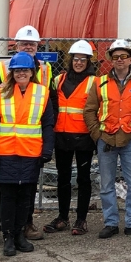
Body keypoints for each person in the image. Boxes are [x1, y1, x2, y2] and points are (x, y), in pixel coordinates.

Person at [0, 25, 53, 245]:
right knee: (1, 191)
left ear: (37, 46)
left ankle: (25, 225)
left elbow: (49, 109)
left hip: (30, 147)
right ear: (16, 45)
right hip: (5, 149)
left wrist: (47, 145)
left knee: (26, 191)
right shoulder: (2, 67)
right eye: (24, 43)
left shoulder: (45, 68)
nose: (28, 47)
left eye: (32, 44)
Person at [84, 40, 131, 239]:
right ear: (111, 60)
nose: (119, 60)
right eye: (115, 57)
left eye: (123, 56)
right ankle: (111, 223)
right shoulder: (100, 83)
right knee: (106, 184)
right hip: (106, 139)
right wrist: (96, 134)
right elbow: (89, 110)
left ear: (130, 58)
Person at [44, 40, 96, 236]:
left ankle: (81, 219)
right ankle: (62, 217)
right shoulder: (59, 80)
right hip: (62, 136)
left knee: (83, 179)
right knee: (63, 179)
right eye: (76, 59)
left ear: (88, 61)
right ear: (71, 59)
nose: (79, 62)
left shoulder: (94, 82)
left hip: (84, 137)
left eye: (83, 59)